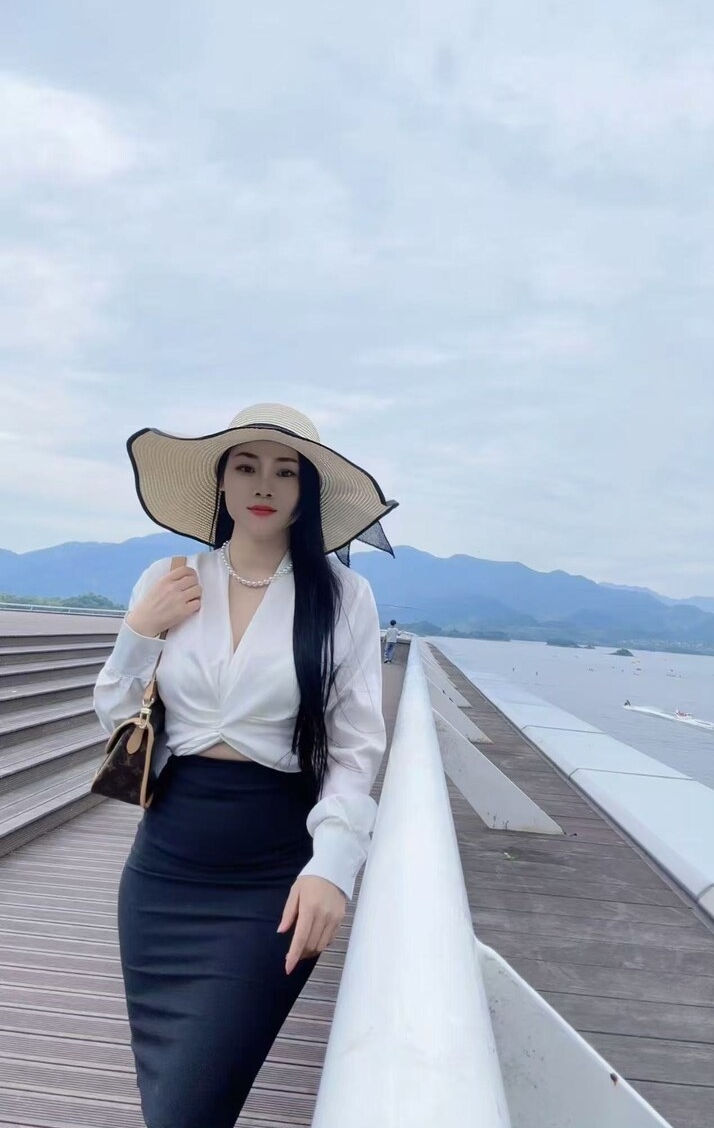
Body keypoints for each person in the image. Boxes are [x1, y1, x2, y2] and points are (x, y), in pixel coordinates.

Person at [93, 402, 397, 1128]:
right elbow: (115, 715)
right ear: (221, 481)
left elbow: (356, 746)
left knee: (191, 1105)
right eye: (247, 466)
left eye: (286, 471)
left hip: (273, 879)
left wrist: (334, 866)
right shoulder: (171, 577)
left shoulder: (344, 597)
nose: (264, 484)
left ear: (306, 491)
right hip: (163, 871)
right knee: (172, 1105)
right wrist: (140, 631)